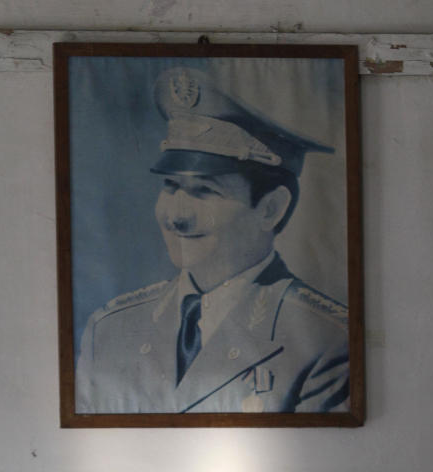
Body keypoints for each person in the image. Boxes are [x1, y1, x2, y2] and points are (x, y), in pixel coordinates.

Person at [75, 66, 350, 416]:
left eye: (204, 191)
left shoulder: (326, 340)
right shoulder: (110, 331)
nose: (177, 216)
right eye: (171, 187)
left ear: (270, 209)